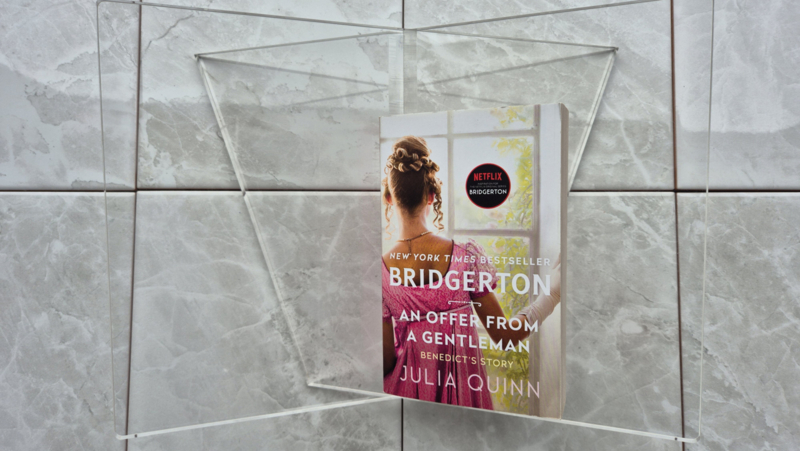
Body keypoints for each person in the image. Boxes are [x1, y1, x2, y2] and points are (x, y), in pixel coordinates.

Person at [381, 135, 561, 408]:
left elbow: (385, 362)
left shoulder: (379, 272)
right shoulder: (465, 257)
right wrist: (553, 294)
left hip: (403, 397)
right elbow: (505, 337)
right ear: (431, 195)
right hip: (463, 399)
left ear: (388, 198)